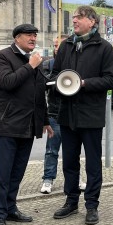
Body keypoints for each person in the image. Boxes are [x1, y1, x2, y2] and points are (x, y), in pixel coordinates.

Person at [51, 6, 113, 225]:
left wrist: (84, 84)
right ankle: (71, 202)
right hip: (68, 115)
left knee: (92, 164)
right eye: (74, 17)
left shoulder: (104, 48)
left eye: (79, 17)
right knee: (69, 162)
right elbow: (55, 75)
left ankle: (91, 205)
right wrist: (58, 84)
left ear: (92, 21)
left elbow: (110, 80)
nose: (74, 20)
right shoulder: (66, 46)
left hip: (90, 115)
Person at [0, 24, 52, 225]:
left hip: (28, 125)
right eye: (29, 35)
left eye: (35, 35)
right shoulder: (3, 57)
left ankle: (10, 208)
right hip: (7, 125)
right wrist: (30, 66)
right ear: (17, 38)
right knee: (3, 173)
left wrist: (44, 120)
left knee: (17, 173)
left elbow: (39, 94)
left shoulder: (35, 59)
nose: (33, 38)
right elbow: (8, 82)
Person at [41, 35, 81, 194]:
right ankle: (48, 179)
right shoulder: (48, 64)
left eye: (60, 45)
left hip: (73, 113)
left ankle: (75, 179)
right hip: (55, 112)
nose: (57, 48)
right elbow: (45, 83)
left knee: (73, 150)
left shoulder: (77, 63)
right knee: (52, 150)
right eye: (56, 45)